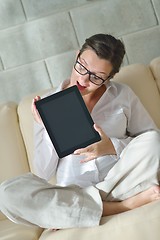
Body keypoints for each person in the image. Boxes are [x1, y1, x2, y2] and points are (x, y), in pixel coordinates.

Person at [0, 33, 160, 229]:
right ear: (77, 56)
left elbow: (150, 139)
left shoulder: (122, 95)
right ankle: (121, 206)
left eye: (96, 77)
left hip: (117, 183)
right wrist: (46, 126)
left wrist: (112, 147)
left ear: (109, 77)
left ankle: (73, 212)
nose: (83, 79)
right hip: (73, 191)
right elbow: (43, 172)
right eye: (81, 66)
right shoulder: (47, 104)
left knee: (154, 141)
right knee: (7, 192)